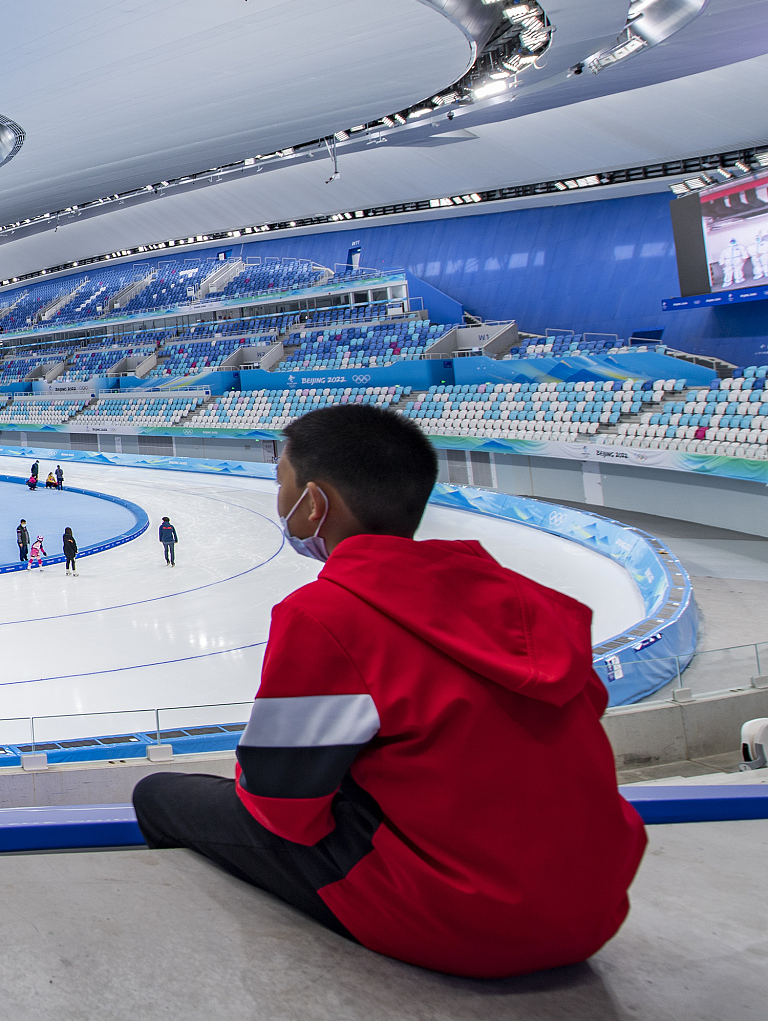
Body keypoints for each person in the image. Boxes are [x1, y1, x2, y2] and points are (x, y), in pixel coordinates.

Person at [130, 404, 645, 979]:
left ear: (316, 503)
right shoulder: (527, 600)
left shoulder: (328, 614)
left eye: (282, 484)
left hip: (463, 918)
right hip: (595, 906)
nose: (278, 502)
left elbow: (280, 806)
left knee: (158, 796)